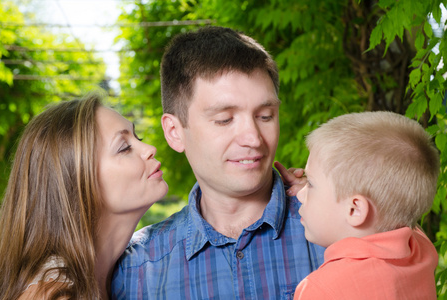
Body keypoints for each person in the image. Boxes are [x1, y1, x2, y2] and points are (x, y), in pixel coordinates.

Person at [111, 26, 324, 299]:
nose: (253, 138)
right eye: (224, 119)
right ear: (175, 132)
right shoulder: (136, 270)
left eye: (266, 116)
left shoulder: (340, 228)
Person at [0, 92, 168, 300]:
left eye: (138, 138)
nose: (150, 149)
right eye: (124, 148)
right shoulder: (53, 293)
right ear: (77, 182)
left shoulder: (114, 276)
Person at [293, 111, 439, 299]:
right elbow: (401, 208)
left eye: (310, 184)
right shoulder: (421, 249)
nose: (300, 194)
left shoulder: (321, 289)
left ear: (355, 210)